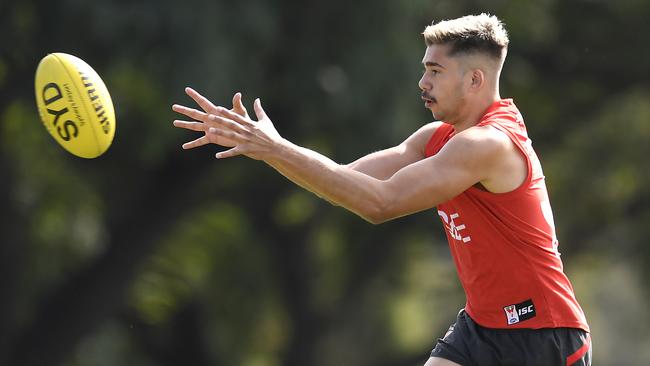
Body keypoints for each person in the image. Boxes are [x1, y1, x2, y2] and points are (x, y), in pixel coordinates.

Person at [172, 13, 591, 366]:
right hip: (482, 325)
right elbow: (345, 179)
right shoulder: (437, 137)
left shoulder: (487, 144)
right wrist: (267, 149)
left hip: (543, 333)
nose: (422, 82)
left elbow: (380, 203)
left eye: (435, 71)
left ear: (475, 79)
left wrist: (276, 148)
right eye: (425, 68)